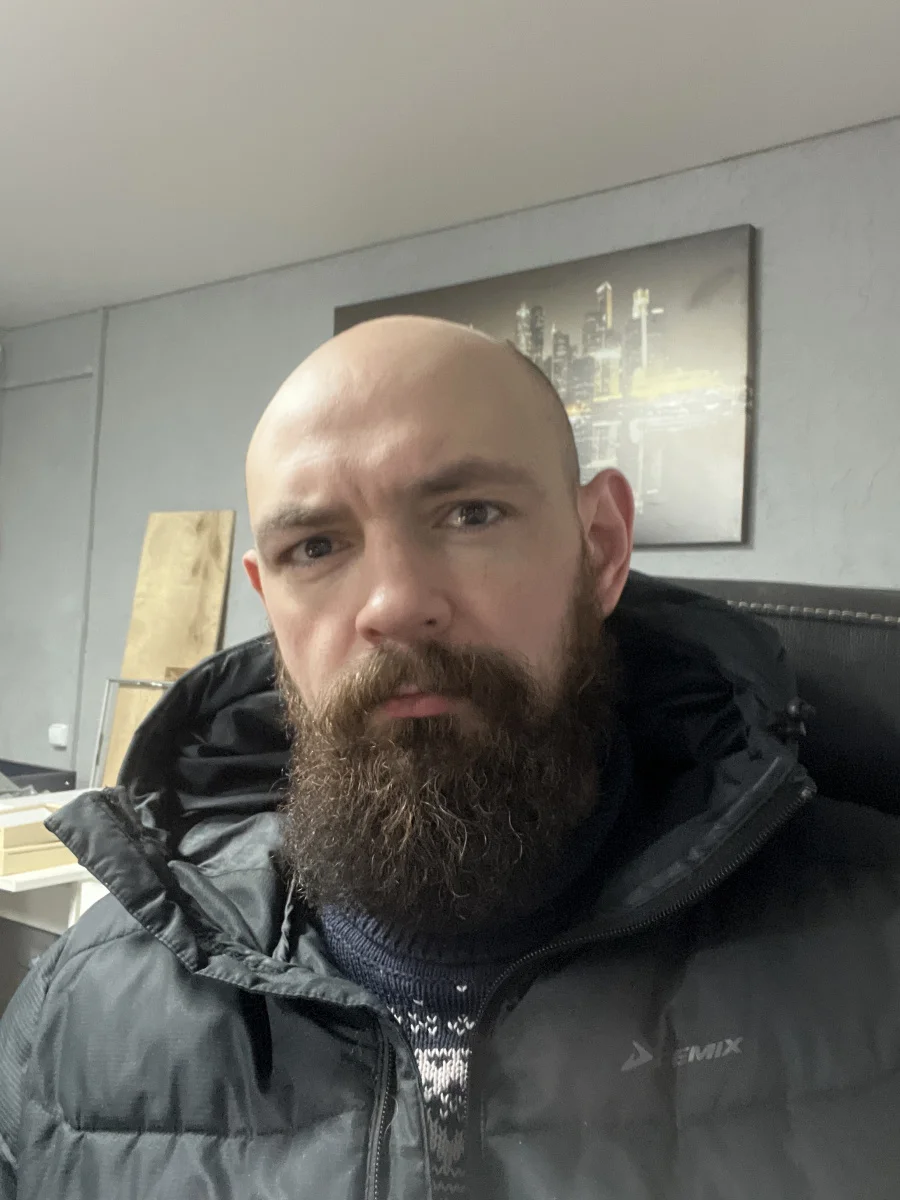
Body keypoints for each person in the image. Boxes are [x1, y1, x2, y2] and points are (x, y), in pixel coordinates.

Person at [1, 317, 898, 1200]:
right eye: (316, 547)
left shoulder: (876, 953)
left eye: (471, 514)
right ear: (269, 601)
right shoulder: (72, 1015)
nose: (394, 603)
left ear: (600, 549)